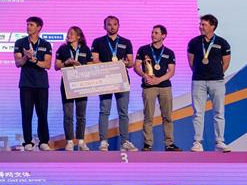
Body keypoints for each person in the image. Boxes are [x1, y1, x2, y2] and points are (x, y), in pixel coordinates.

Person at [187, 14, 232, 152]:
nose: (200, 26)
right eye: (200, 24)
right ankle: (197, 142)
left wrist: (215, 74)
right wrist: (200, 73)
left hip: (217, 82)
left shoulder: (223, 43)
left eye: (204, 24)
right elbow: (191, 62)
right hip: (198, 81)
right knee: (198, 113)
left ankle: (220, 142)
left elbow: (226, 63)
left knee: (219, 112)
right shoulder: (194, 42)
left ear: (212, 26)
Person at [91, 15, 136, 151]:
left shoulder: (126, 42)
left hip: (122, 80)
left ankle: (125, 142)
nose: (112, 27)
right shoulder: (98, 41)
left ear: (118, 26)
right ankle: (103, 141)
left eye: (115, 24)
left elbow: (131, 63)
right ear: (104, 26)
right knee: (104, 111)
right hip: (105, 80)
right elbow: (95, 61)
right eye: (109, 24)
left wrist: (127, 63)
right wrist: (109, 66)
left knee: (123, 112)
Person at [134, 25, 180, 152]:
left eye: (156, 33)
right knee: (148, 116)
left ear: (163, 36)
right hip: (149, 87)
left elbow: (171, 71)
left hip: (165, 87)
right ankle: (148, 144)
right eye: (152, 32)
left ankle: (169, 143)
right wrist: (144, 75)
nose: (153, 35)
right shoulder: (143, 49)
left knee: (168, 116)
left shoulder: (169, 52)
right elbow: (136, 66)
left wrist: (158, 80)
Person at [13, 16, 53, 151]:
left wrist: (34, 60)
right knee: (27, 113)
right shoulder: (20, 42)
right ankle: (28, 141)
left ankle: (44, 141)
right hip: (26, 84)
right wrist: (26, 57)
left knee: (42, 113)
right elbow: (18, 63)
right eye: (27, 25)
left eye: (31, 25)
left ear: (39, 28)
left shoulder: (46, 44)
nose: (28, 27)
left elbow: (47, 65)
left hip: (41, 84)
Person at [54, 26, 90, 151]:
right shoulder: (63, 49)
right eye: (68, 33)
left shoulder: (85, 49)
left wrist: (82, 66)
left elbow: (91, 65)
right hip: (67, 85)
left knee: (81, 115)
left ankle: (81, 141)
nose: (69, 35)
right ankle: (69, 141)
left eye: (72, 34)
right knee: (68, 115)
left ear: (78, 36)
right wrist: (66, 63)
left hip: (82, 84)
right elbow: (56, 66)